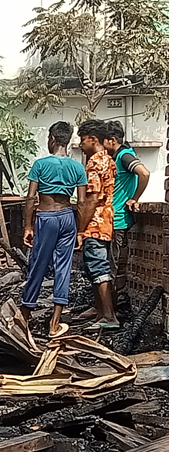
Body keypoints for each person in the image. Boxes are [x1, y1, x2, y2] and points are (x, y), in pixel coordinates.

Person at [20, 122, 88, 337]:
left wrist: (28, 226)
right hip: (68, 217)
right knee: (63, 268)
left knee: (38, 265)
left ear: (52, 139)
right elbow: (83, 202)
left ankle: (24, 315)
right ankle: (55, 322)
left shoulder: (40, 165)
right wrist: (80, 231)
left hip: (46, 217)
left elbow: (31, 198)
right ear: (68, 141)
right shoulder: (77, 167)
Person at [101, 119, 150, 313]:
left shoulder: (124, 156)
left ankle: (111, 311)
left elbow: (144, 173)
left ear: (112, 140)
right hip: (111, 219)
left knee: (112, 267)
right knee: (110, 265)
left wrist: (134, 198)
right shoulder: (116, 157)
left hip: (118, 219)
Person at [77, 119, 119, 330]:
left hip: (95, 223)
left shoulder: (94, 162)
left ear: (93, 139)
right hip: (107, 220)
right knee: (96, 268)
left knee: (98, 268)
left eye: (82, 140)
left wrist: (81, 229)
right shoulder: (109, 160)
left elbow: (92, 198)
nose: (80, 144)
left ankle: (109, 316)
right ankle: (101, 312)